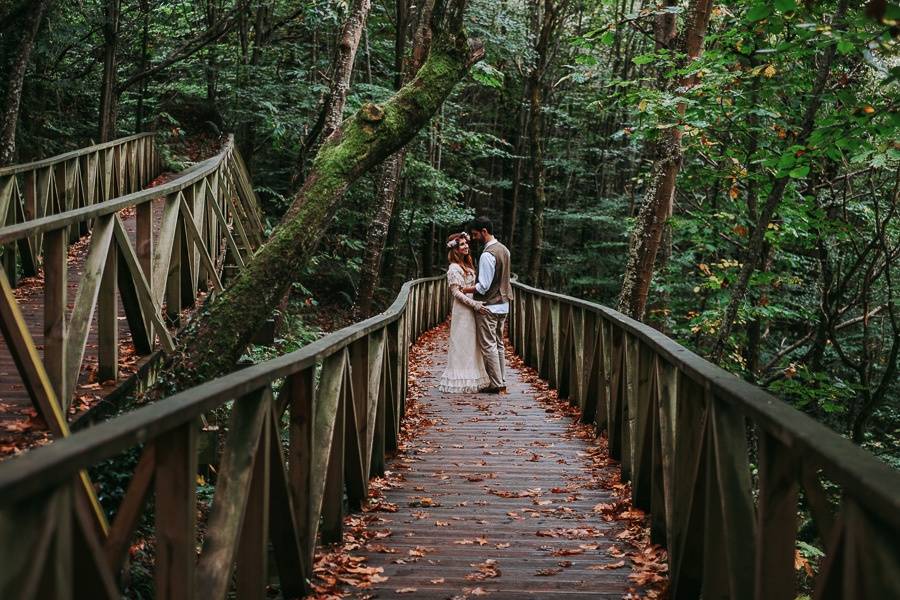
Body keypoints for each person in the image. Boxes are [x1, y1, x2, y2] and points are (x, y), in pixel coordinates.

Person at [464, 216, 512, 394]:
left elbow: (483, 287)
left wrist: (464, 289)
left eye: (476, 234)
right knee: (498, 344)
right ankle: (502, 381)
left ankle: (497, 384)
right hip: (504, 304)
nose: (474, 238)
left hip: (489, 306)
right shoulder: (504, 250)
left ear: (484, 231)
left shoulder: (487, 255)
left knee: (488, 345)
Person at [438, 232, 490, 393]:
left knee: (472, 344)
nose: (466, 246)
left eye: (466, 243)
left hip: (473, 309)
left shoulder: (467, 265)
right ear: (455, 249)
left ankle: (474, 378)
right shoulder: (454, 268)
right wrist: (474, 304)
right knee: (462, 344)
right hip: (463, 311)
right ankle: (460, 380)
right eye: (462, 244)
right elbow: (456, 292)